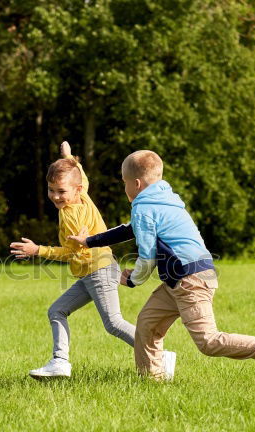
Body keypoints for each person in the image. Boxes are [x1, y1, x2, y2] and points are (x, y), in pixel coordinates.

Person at [68, 149, 255, 383]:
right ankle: (151, 380)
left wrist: (133, 279)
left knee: (208, 341)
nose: (124, 188)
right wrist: (90, 241)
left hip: (189, 279)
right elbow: (129, 230)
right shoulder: (164, 199)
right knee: (147, 324)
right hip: (181, 279)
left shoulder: (144, 207)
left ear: (136, 183)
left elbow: (147, 256)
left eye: (124, 182)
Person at [10, 143, 176, 379]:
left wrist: (37, 250)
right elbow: (82, 176)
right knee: (57, 310)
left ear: (75, 190)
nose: (56, 196)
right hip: (92, 272)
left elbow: (69, 252)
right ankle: (60, 361)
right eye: (51, 190)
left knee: (113, 323)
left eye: (61, 191)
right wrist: (69, 158)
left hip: (99, 270)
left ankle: (161, 355)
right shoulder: (83, 195)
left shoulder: (70, 216)